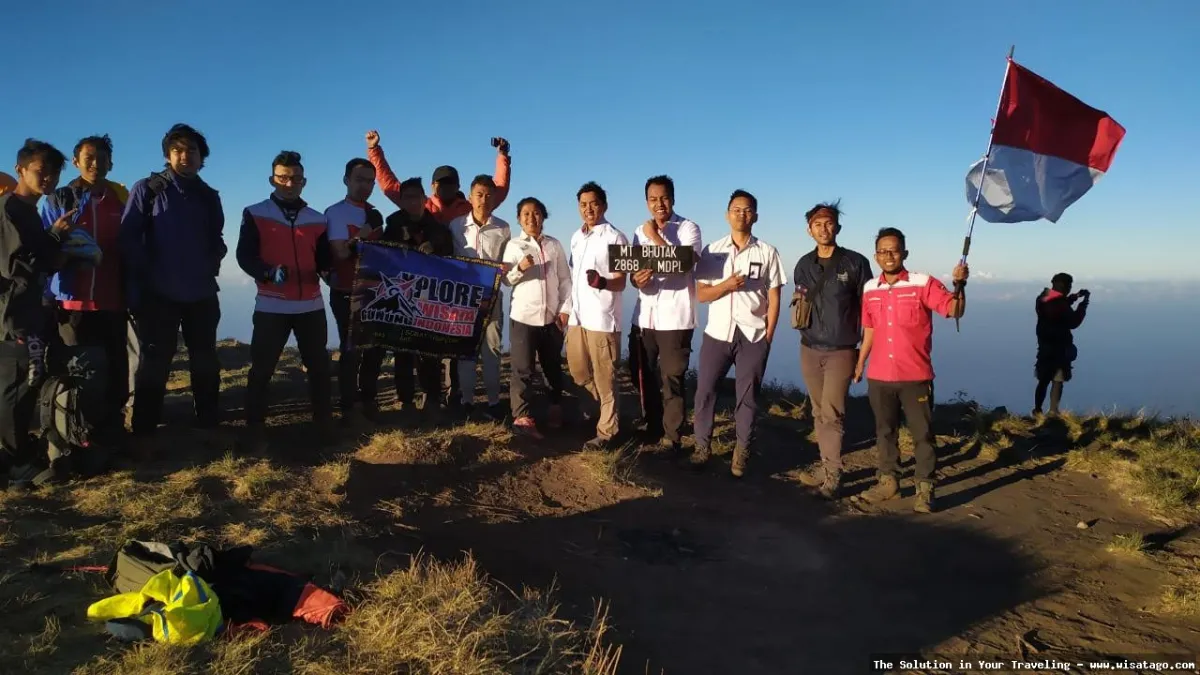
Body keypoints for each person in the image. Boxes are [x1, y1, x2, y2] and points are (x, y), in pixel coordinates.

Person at [120, 123, 226, 442]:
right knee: (154, 364)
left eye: (191, 150)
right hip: (158, 294)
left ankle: (208, 422)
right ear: (167, 156)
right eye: (177, 150)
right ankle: (144, 430)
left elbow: (217, 237)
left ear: (202, 157)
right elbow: (128, 238)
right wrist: (144, 276)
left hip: (202, 292)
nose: (185, 156)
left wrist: (212, 259)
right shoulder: (148, 189)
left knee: (205, 360)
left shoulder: (209, 196)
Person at [853, 227, 968, 513]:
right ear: (876, 256)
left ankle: (925, 489)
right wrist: (860, 362)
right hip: (879, 375)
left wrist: (960, 284)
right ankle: (889, 482)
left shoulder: (923, 283)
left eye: (894, 250)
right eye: (882, 251)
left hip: (915, 375)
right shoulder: (870, 288)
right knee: (885, 432)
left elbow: (954, 310)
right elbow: (869, 329)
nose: (888, 256)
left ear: (904, 253)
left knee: (923, 434)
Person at [236, 151, 333, 451]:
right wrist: (267, 272)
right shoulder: (255, 213)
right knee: (262, 369)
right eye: (283, 178)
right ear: (272, 179)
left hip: (311, 305)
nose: (290, 184)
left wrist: (329, 272)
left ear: (304, 181)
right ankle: (255, 427)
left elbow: (324, 258)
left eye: (296, 178)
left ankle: (324, 424)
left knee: (319, 367)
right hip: (272, 305)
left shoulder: (317, 218)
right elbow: (244, 256)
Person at [41, 134, 130, 446]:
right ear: (76, 162)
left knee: (117, 373)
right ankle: (80, 439)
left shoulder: (120, 198)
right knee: (82, 376)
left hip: (113, 301)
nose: (96, 164)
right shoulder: (59, 200)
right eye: (89, 158)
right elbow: (43, 249)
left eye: (102, 158)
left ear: (111, 163)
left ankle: (112, 435)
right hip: (73, 305)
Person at [691, 190, 784, 476]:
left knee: (748, 396)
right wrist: (726, 286)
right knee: (705, 391)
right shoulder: (713, 251)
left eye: (747, 210)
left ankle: (742, 452)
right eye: (736, 209)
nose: (741, 214)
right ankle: (701, 447)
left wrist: (768, 336)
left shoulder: (767, 252)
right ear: (727, 214)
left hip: (753, 335)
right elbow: (702, 294)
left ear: (755, 216)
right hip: (717, 332)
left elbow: (775, 296)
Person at [1, 139, 76, 489]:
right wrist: (54, 240)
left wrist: (56, 249)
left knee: (25, 382)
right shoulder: (9, 211)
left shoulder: (28, 211)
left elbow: (37, 259)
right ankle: (15, 465)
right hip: (13, 315)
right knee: (17, 386)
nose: (49, 178)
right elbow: (16, 267)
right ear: (20, 170)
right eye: (41, 170)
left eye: (55, 172)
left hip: (28, 310)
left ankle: (17, 455)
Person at [790, 201, 874, 498]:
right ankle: (826, 465)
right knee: (818, 411)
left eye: (828, 223)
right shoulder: (804, 265)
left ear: (837, 227)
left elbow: (870, 309)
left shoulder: (855, 263)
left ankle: (834, 474)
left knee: (832, 413)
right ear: (809, 230)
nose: (823, 229)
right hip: (809, 347)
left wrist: (863, 354)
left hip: (842, 349)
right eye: (817, 224)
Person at [371, 176, 454, 425]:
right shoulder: (393, 226)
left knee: (429, 352)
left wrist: (434, 251)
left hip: (429, 299)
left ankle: (432, 399)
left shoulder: (439, 229)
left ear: (424, 199)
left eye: (416, 197)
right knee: (403, 353)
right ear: (402, 201)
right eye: (407, 198)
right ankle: (406, 400)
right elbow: (382, 257)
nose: (412, 202)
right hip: (401, 298)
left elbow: (450, 260)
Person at [629, 175, 702, 454]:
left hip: (675, 317)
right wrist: (637, 280)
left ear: (673, 198)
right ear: (646, 202)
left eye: (664, 198)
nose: (659, 204)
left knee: (672, 378)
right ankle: (653, 425)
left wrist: (655, 237)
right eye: (653, 199)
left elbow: (685, 264)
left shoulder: (688, 228)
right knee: (641, 373)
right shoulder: (639, 231)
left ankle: (672, 436)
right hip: (644, 316)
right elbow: (633, 269)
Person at [502, 197, 571, 438]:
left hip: (551, 318)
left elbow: (565, 280)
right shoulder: (514, 245)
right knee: (523, 369)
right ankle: (522, 418)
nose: (531, 218)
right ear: (519, 218)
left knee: (552, 366)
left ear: (543, 216)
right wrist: (519, 268)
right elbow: (505, 280)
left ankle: (554, 407)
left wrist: (565, 310)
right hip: (523, 317)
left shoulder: (554, 244)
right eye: (526, 214)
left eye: (536, 213)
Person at [566, 182, 628, 450]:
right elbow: (573, 278)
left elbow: (621, 281)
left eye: (593, 204)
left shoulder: (616, 238)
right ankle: (599, 410)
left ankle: (607, 432)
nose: (588, 209)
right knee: (578, 372)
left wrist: (602, 282)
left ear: (604, 205)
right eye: (583, 204)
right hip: (577, 317)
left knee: (605, 377)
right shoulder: (576, 237)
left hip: (603, 319)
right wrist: (566, 309)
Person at [324, 158, 383, 424]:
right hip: (345, 290)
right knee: (351, 349)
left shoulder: (374, 212)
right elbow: (341, 253)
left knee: (374, 349)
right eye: (359, 180)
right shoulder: (336, 212)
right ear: (346, 180)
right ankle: (348, 405)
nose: (365, 186)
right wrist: (364, 232)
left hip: (373, 291)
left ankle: (368, 399)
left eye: (370, 181)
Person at [450, 175, 510, 421]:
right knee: (466, 351)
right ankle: (467, 401)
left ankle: (494, 402)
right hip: (463, 298)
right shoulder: (455, 226)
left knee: (492, 349)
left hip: (492, 297)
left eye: (488, 195)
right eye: (479, 194)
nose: (483, 200)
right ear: (470, 197)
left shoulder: (503, 228)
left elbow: (507, 263)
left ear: (494, 198)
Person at [364, 130, 512, 224]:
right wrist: (374, 149)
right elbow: (390, 185)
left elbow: (498, 189)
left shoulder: (471, 207)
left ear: (458, 187)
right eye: (441, 184)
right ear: (432, 186)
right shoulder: (420, 204)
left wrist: (502, 155)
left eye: (450, 184)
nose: (445, 188)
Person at [1033, 273, 1090, 416]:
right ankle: (1053, 411)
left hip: (1045, 345)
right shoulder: (1059, 303)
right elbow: (1073, 321)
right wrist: (1083, 305)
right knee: (1057, 379)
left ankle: (1038, 410)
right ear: (1062, 285)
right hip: (1059, 347)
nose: (1069, 288)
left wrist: (1074, 297)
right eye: (1068, 285)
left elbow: (1059, 305)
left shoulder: (1043, 298)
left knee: (1044, 380)